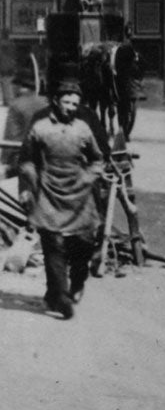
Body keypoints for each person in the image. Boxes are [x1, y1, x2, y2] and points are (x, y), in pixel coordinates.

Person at [18, 78, 105, 320]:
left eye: (75, 103)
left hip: (79, 197)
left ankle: (74, 284)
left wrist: (88, 178)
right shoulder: (40, 128)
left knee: (83, 246)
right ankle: (62, 297)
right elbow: (26, 160)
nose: (71, 107)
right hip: (48, 195)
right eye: (66, 102)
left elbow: (98, 160)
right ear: (56, 101)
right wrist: (31, 183)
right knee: (53, 245)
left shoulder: (83, 129)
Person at [3, 66, 48, 180]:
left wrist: (6, 162)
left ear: (19, 87)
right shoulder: (46, 102)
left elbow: (12, 135)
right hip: (48, 157)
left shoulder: (16, 105)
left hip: (25, 159)